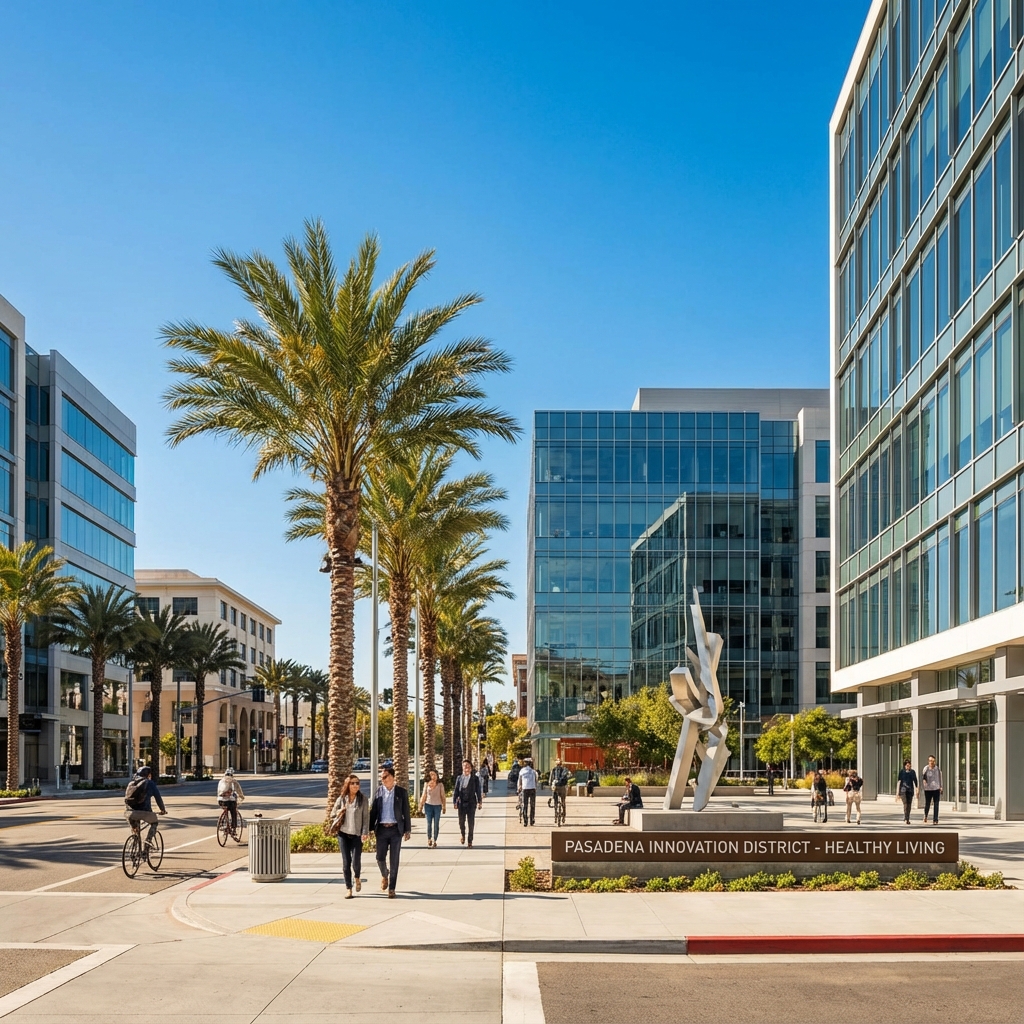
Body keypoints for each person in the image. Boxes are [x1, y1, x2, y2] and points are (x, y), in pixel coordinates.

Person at [369, 765, 411, 897]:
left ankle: (392, 888)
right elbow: (373, 812)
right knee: (379, 857)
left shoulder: (401, 792)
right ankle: (384, 874)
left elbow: (406, 812)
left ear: (392, 777)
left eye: (385, 777)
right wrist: (370, 829)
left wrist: (407, 830)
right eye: (382, 777)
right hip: (381, 830)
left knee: (394, 860)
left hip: (395, 830)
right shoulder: (378, 792)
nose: (383, 779)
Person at [330, 774, 368, 898]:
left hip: (356, 835)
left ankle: (357, 877)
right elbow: (332, 814)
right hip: (343, 834)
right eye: (353, 783)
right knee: (346, 863)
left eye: (357, 783)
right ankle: (349, 888)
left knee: (356, 862)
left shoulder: (363, 799)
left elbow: (366, 818)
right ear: (348, 785)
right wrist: (340, 811)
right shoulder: (342, 798)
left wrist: (365, 833)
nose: (355, 785)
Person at [123, 765, 166, 849]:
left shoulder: (131, 783)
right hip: (145, 812)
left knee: (136, 829)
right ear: (148, 775)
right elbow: (158, 798)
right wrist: (163, 810)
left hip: (130, 813)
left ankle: (135, 843)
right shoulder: (150, 783)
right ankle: (147, 842)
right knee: (154, 823)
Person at [453, 760, 483, 847]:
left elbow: (478, 791)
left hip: (471, 803)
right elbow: (456, 791)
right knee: (461, 822)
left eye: (468, 766)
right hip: (461, 803)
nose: (466, 767)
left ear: (471, 768)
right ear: (462, 767)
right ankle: (463, 834)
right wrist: (455, 802)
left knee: (471, 822)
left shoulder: (475, 779)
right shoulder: (459, 778)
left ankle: (470, 841)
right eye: (465, 766)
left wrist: (479, 802)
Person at [419, 768, 446, 848]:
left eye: (434, 774)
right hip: (428, 805)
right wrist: (420, 806)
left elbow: (443, 796)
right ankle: (429, 838)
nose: (433, 776)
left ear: (437, 775)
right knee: (429, 823)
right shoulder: (426, 784)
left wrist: (444, 806)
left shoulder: (440, 785)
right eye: (431, 775)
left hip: (437, 806)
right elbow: (424, 795)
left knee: (436, 823)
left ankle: (435, 840)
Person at [217, 767, 244, 831]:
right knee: (233, 812)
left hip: (220, 801)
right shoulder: (233, 781)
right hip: (230, 802)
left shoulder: (221, 781)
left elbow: (218, 792)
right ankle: (233, 827)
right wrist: (242, 797)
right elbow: (239, 791)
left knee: (225, 809)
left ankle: (223, 823)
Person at [921, 755, 942, 825]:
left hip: (936, 788)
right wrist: (924, 783)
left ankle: (935, 819)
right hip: (928, 789)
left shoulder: (937, 769)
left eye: (932, 761)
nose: (931, 762)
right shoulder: (926, 768)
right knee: (928, 804)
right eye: (930, 761)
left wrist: (941, 786)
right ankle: (925, 815)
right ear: (928, 761)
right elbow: (923, 777)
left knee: (936, 804)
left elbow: (940, 778)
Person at [517, 758, 538, 825]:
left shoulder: (522, 771)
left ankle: (525, 820)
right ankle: (532, 820)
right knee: (532, 805)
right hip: (532, 789)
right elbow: (536, 780)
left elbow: (519, 781)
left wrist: (519, 788)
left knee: (525, 804)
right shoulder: (534, 771)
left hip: (525, 789)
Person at [897, 759, 918, 825]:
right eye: (907, 765)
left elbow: (915, 781)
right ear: (904, 766)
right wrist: (897, 793)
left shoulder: (912, 772)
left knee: (909, 804)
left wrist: (917, 789)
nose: (908, 766)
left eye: (909, 765)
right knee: (905, 804)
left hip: (910, 790)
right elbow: (899, 782)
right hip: (903, 790)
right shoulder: (901, 772)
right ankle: (906, 818)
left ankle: (907, 817)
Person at [550, 758, 570, 822]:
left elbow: (550, 779)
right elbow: (569, 775)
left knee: (555, 802)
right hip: (562, 787)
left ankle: (556, 816)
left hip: (555, 787)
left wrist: (551, 785)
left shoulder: (553, 770)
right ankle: (563, 816)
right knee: (563, 801)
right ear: (561, 764)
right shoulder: (564, 769)